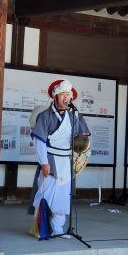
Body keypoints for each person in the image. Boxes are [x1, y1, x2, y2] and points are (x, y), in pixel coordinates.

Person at [29, 79, 90, 237]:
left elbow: (82, 138)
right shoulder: (45, 116)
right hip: (50, 159)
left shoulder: (74, 115)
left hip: (66, 161)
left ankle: (58, 228)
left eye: (68, 95)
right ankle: (40, 228)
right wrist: (43, 162)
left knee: (63, 196)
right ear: (55, 96)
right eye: (62, 94)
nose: (66, 98)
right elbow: (39, 141)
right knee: (46, 194)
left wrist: (81, 150)